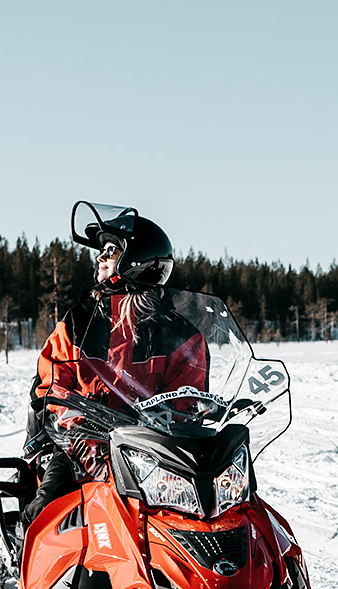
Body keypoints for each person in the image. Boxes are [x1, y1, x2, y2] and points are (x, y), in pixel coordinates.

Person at [20, 205, 209, 537]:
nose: (100, 257)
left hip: (150, 453)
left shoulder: (180, 334)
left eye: (110, 250)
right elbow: (49, 383)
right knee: (46, 511)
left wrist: (178, 424)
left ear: (134, 261)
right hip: (81, 443)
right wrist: (72, 421)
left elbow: (189, 401)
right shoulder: (79, 322)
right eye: (102, 251)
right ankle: (24, 565)